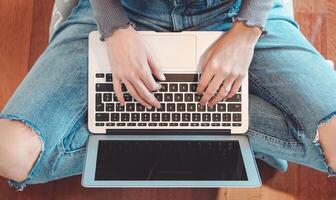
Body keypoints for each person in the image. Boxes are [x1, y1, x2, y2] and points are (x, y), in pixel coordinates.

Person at [0, 0, 335, 190]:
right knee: (11, 152)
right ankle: (227, 126)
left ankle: (161, 119)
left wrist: (247, 31)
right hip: (125, 10)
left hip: (234, 14)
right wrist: (115, 28)